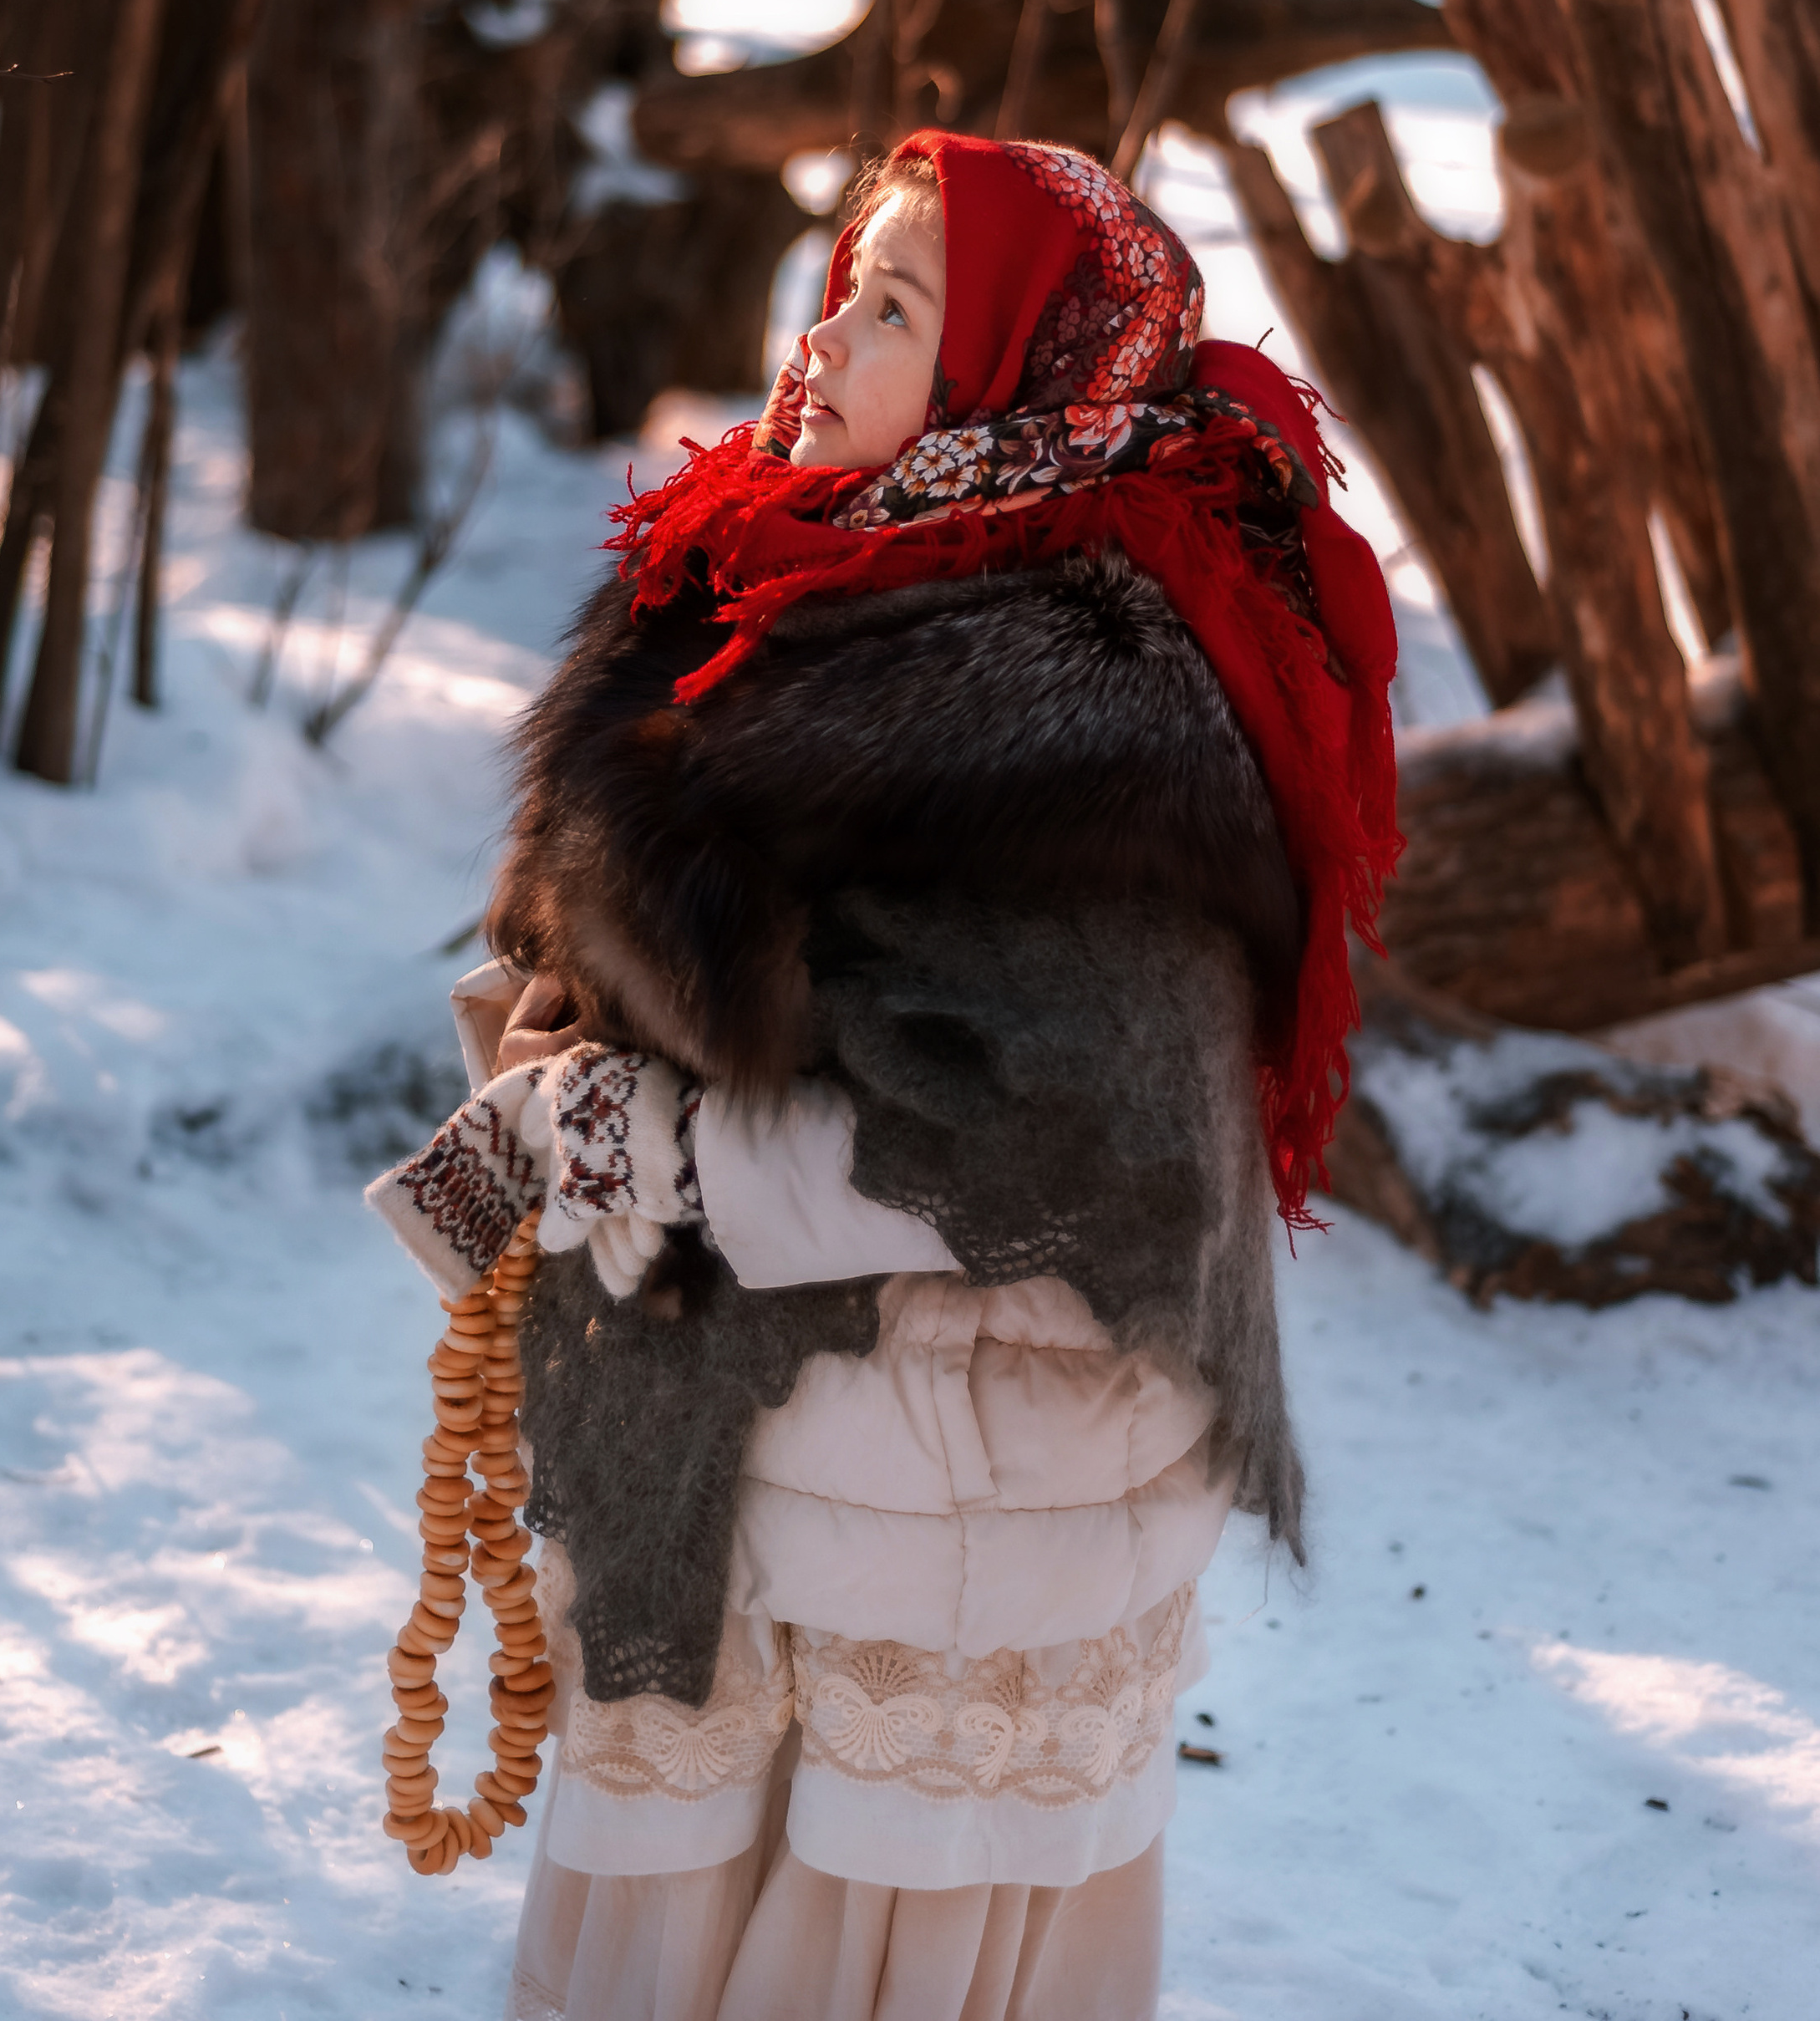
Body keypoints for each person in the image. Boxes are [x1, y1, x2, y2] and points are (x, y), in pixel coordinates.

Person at [374, 129, 1400, 2021]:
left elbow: (1080, 1154)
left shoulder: (1094, 707)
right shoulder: (759, 571)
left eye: (899, 302)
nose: (825, 333)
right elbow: (638, 957)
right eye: (841, 281)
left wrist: (650, 1159)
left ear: (1021, 355)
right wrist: (546, 1033)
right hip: (753, 1479)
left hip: (955, 1526)